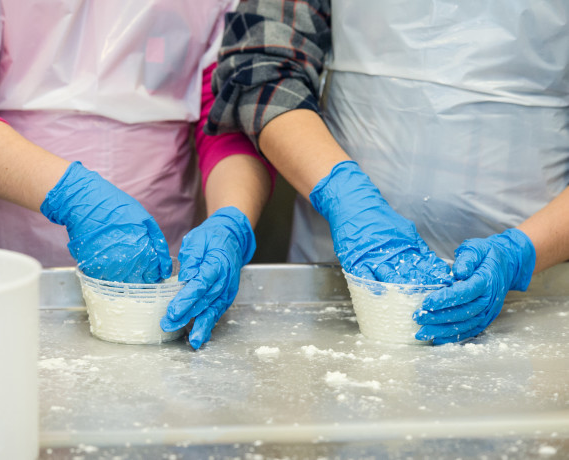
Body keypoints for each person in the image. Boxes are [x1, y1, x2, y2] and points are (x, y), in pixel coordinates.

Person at [206, 1, 569, 344]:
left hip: (537, 287)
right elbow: (261, 63)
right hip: (337, 277)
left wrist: (519, 254)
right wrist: (343, 195)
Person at [0, 1, 275, 349]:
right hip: (15, 260)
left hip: (163, 264)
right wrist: (72, 195)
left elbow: (225, 120)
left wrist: (231, 218)